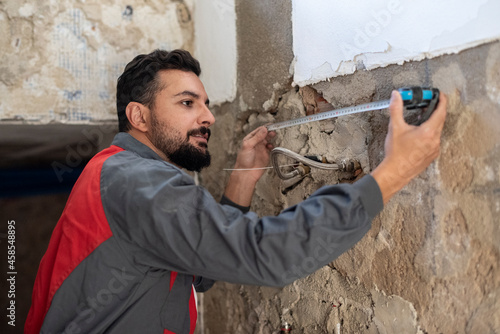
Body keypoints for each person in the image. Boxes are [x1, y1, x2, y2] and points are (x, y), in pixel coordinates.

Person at [25, 49, 447, 334]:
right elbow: (264, 255)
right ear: (139, 115)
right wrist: (393, 173)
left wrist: (244, 179)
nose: (208, 116)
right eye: (188, 103)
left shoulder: (114, 173)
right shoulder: (137, 184)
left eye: (206, 104)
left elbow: (201, 268)